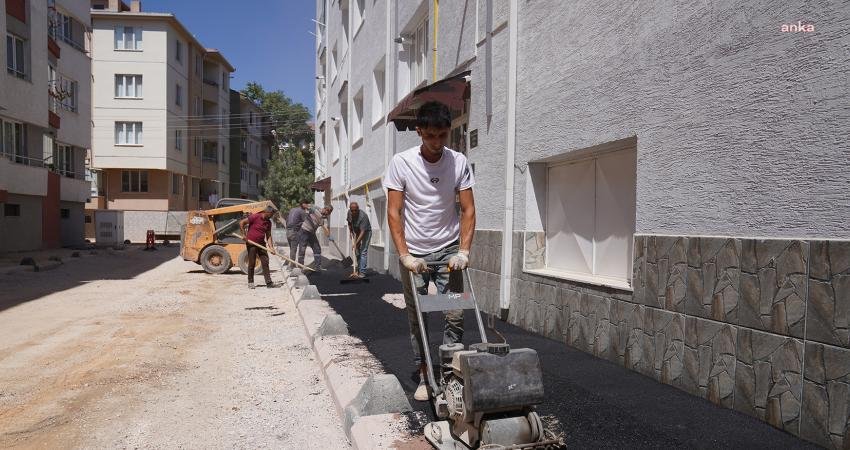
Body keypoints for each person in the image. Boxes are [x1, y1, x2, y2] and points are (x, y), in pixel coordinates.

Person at [383, 101, 476, 401]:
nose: (437, 142)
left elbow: (468, 209)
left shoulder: (458, 161)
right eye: (430, 136)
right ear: (419, 132)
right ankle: (424, 373)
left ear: (449, 131)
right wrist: (405, 255)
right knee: (418, 317)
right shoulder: (402, 162)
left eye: (443, 135)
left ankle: (450, 374)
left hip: (449, 252)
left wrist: (463, 251)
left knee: (454, 313)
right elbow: (394, 212)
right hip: (415, 254)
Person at [239, 205, 278, 289]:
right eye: (271, 214)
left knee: (265, 261)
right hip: (251, 243)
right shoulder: (255, 217)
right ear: (266, 212)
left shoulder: (268, 223)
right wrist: (244, 235)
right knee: (252, 263)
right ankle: (250, 282)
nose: (271, 216)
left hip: (261, 244)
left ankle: (269, 282)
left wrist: (271, 247)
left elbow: (268, 235)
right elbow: (241, 222)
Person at [298, 204, 333, 271]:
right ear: (325, 209)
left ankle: (318, 267)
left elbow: (326, 228)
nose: (328, 214)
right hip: (304, 230)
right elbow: (304, 205)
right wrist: (310, 208)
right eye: (328, 213)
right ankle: (300, 267)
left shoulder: (325, 218)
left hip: (312, 233)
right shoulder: (316, 208)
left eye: (329, 213)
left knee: (317, 249)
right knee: (302, 249)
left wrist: (329, 235)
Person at [346, 202, 372, 278]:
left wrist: (355, 243)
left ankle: (362, 273)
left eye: (355, 210)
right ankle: (358, 270)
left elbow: (362, 232)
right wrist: (350, 232)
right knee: (357, 251)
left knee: (363, 252)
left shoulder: (363, 216)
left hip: (366, 232)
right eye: (352, 210)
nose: (354, 212)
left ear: (358, 209)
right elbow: (349, 222)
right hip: (357, 231)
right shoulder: (349, 213)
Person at [286, 200, 310, 267]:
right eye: (307, 204)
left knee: (292, 249)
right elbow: (306, 222)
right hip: (294, 232)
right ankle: (292, 266)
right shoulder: (302, 212)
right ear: (303, 204)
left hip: (288, 231)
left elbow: (287, 220)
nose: (308, 206)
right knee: (295, 249)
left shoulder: (292, 209)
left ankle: (292, 264)